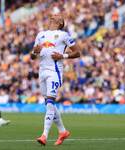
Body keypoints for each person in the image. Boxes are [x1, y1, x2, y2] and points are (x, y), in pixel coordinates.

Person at [30, 14, 80, 146]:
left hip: (54, 72)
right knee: (49, 104)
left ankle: (44, 135)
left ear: (60, 22)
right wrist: (34, 52)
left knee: (50, 103)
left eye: (59, 16)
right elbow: (32, 56)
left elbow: (77, 52)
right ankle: (63, 131)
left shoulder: (64, 35)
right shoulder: (41, 34)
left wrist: (62, 56)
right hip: (42, 72)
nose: (56, 14)